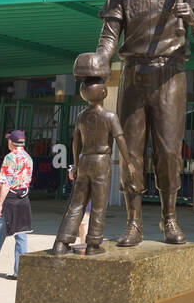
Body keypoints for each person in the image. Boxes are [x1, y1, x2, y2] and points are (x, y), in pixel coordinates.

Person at [93, 0, 194, 246]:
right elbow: (108, 39)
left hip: (169, 73)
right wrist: (98, 60)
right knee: (130, 153)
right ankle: (133, 222)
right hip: (132, 74)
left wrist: (192, 18)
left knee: (169, 152)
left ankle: (169, 218)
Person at [53, 54, 135, 255]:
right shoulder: (110, 116)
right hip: (101, 160)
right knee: (98, 203)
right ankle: (93, 243)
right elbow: (121, 139)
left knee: (76, 202)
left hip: (84, 159)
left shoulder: (81, 116)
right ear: (105, 93)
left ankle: (61, 242)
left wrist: (76, 163)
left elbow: (75, 142)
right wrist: (129, 162)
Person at [0, 130, 34, 280]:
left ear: (11, 142)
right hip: (23, 199)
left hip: (9, 200)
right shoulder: (28, 158)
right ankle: (20, 271)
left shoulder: (10, 158)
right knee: (21, 236)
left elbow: (5, 183)